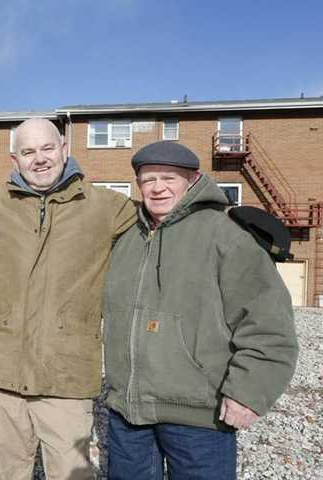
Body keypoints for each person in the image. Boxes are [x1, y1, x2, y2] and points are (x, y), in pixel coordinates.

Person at [103, 141, 299, 479]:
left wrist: (248, 392)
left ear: (193, 180)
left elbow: (268, 323)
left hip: (198, 417)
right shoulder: (127, 238)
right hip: (128, 413)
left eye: (169, 178)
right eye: (148, 180)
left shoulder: (226, 235)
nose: (158, 188)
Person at [0, 117, 137, 480]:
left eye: (47, 148)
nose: (39, 159)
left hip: (66, 372)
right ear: (15, 160)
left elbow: (166, 224)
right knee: (8, 471)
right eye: (28, 152)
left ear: (64, 150)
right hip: (1, 371)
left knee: (69, 473)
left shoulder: (105, 207)